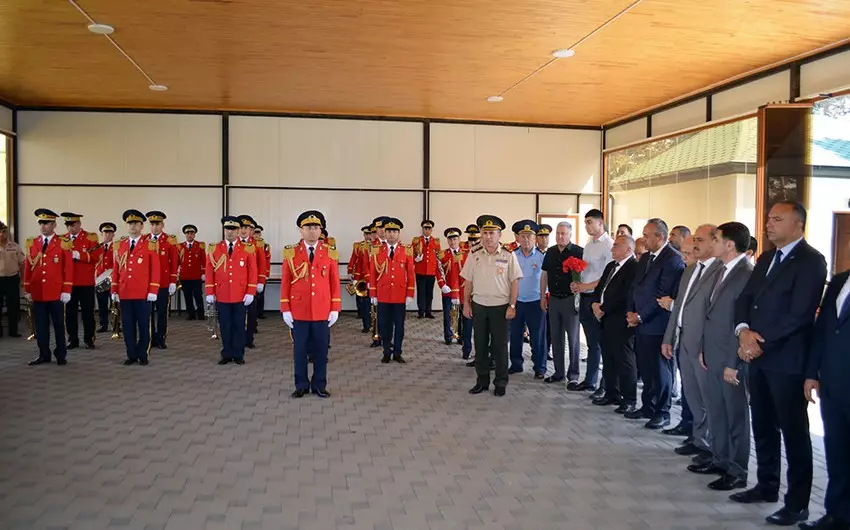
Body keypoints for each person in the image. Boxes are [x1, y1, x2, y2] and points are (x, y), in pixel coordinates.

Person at [733, 201, 827, 526]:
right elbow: (745, 298)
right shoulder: (767, 258)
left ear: (798, 225)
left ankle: (797, 503)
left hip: (786, 360)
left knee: (794, 432)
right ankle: (767, 484)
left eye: (777, 219)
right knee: (762, 424)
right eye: (769, 219)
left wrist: (759, 342)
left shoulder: (812, 261)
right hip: (756, 356)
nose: (769, 224)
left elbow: (800, 314)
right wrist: (743, 332)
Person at [696, 221, 754, 492]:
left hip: (731, 357)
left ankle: (737, 470)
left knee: (735, 415)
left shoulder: (745, 274)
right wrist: (703, 348)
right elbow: (711, 314)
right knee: (717, 410)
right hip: (713, 353)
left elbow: (743, 321)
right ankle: (720, 459)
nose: (713, 243)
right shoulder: (721, 269)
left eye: (716, 239)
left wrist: (735, 363)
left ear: (729, 244)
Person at [804, 243, 850, 530]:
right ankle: (837, 514)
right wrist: (812, 373)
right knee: (837, 451)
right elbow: (822, 330)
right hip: (833, 383)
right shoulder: (841, 280)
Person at [661, 225, 720, 448]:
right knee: (692, 396)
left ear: (715, 242)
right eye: (694, 239)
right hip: (684, 340)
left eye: (700, 240)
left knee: (708, 399)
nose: (695, 244)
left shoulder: (718, 272)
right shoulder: (690, 270)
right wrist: (669, 338)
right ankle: (698, 439)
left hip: (702, 345)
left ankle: (711, 446)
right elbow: (679, 308)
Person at [625, 218, 685, 428]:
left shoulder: (672, 259)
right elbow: (635, 286)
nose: (644, 239)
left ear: (661, 237)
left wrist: (641, 316)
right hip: (641, 323)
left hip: (658, 324)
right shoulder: (646, 258)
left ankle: (662, 411)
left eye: (648, 235)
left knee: (660, 370)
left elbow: (663, 294)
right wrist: (631, 312)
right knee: (646, 368)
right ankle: (648, 406)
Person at [281, 210, 340, 398]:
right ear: (301, 230)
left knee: (321, 350)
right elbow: (285, 282)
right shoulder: (291, 252)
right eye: (308, 227)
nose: (312, 231)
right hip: (299, 310)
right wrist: (285, 308)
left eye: (316, 227)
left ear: (321, 229)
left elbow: (334, 282)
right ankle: (301, 385)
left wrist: (335, 307)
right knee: (299, 351)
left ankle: (319, 385)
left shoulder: (330, 253)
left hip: (322, 310)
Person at [463, 215, 521, 396]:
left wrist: (512, 305)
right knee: (479, 345)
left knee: (500, 346)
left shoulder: (508, 255)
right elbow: (468, 281)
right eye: (485, 232)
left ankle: (501, 382)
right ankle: (482, 381)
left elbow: (514, 282)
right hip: (479, 305)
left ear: (499, 235)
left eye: (492, 233)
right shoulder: (474, 255)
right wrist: (466, 303)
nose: (488, 236)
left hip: (500, 307)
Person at [591, 234, 639, 410]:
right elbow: (601, 288)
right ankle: (612, 392)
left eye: (616, 246)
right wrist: (595, 303)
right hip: (605, 319)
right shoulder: (611, 265)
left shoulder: (634, 267)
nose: (612, 249)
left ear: (628, 249)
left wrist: (604, 308)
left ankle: (629, 399)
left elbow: (625, 295)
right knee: (609, 357)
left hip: (620, 319)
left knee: (624, 360)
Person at [23, 209, 73, 365]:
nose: (43, 226)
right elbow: (27, 267)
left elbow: (68, 268)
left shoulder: (63, 243)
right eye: (41, 223)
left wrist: (66, 290)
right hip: (38, 292)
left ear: (54, 224)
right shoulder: (33, 243)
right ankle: (44, 354)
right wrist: (27, 289)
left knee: (59, 325)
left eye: (46, 223)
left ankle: (60, 354)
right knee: (41, 326)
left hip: (56, 292)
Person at [205, 216, 257, 365]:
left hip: (240, 295)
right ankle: (226, 353)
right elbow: (210, 271)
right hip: (222, 294)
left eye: (234, 229)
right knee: (225, 325)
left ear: (239, 230)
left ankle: (239, 354)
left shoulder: (248, 248)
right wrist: (210, 291)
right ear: (224, 229)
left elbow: (253, 271)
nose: (230, 232)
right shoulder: (215, 248)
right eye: (228, 229)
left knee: (239, 326)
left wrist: (250, 291)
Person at [571, 209, 613, 392]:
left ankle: (604, 384)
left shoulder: (608, 245)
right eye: (586, 222)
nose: (587, 225)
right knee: (591, 342)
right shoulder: (588, 245)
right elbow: (586, 271)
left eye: (590, 222)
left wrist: (586, 287)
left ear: (600, 223)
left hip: (598, 298)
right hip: (585, 296)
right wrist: (578, 284)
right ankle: (589, 380)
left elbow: (608, 276)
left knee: (601, 343)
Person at [111, 209, 160, 366]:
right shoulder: (120, 245)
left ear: (141, 226)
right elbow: (116, 270)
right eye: (130, 223)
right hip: (125, 292)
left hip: (143, 293)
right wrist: (114, 289)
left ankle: (143, 353)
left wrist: (153, 290)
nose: (133, 226)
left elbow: (155, 269)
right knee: (128, 325)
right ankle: (131, 354)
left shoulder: (150, 245)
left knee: (144, 325)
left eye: (136, 223)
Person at [540, 221, 583, 387]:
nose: (560, 236)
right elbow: (544, 275)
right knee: (556, 338)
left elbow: (584, 275)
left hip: (570, 300)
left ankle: (573, 375)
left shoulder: (578, 252)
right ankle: (558, 373)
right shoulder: (550, 252)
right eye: (558, 233)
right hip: (554, 299)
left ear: (570, 235)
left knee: (573, 339)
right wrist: (542, 296)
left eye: (563, 233)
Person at [369, 217, 415, 363]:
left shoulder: (406, 251)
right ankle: (386, 351)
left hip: (399, 295)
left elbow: (411, 273)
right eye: (389, 231)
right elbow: (373, 273)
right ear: (385, 233)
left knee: (399, 326)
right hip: (383, 295)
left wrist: (410, 293)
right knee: (384, 326)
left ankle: (398, 352)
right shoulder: (377, 251)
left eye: (394, 231)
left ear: (399, 233)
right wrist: (373, 293)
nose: (391, 234)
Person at [508, 220, 545, 378]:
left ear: (535, 238)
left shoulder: (542, 257)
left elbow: (546, 279)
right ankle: (516, 364)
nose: (526, 240)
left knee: (537, 337)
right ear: (518, 238)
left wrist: (544, 297)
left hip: (535, 302)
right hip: (516, 302)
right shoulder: (512, 256)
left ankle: (540, 367)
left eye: (530, 236)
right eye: (523, 236)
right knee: (515, 335)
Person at [61, 212, 103, 349]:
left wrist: (80, 255)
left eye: (73, 225)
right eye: (68, 226)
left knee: (87, 313)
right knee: (70, 313)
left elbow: (96, 256)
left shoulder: (90, 238)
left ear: (79, 224)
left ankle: (89, 339)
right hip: (69, 283)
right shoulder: (62, 239)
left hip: (85, 282)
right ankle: (72, 339)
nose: (70, 228)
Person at [145, 211, 178, 349]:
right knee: (148, 312)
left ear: (162, 225)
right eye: (152, 224)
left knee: (162, 312)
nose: (154, 227)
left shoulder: (169, 240)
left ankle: (161, 337)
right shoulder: (144, 239)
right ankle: (150, 337)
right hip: (147, 283)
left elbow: (174, 262)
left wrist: (173, 281)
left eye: (157, 224)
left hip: (163, 282)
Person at [236, 215, 266, 348]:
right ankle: (237, 338)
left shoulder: (257, 244)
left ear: (251, 230)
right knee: (237, 313)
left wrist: (260, 281)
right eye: (241, 227)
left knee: (251, 313)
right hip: (235, 284)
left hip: (251, 284)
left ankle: (249, 339)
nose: (243, 231)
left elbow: (262, 263)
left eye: (246, 228)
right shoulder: (232, 242)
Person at [437, 227, 463, 345]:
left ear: (459, 239)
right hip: (447, 289)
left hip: (462, 290)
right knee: (448, 314)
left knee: (461, 314)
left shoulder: (465, 254)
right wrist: (442, 285)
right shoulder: (442, 255)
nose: (453, 242)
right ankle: (448, 336)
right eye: (450, 239)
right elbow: (438, 270)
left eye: (455, 239)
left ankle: (460, 336)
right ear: (447, 241)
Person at [0, 220, 24, 338]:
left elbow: (22, 263)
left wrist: (23, 279)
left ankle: (13, 331)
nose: (1, 235)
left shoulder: (14, 246)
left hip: (12, 279)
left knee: (13, 306)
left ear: (6, 233)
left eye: (3, 232)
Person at [348, 224, 374, 333]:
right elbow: (353, 258)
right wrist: (350, 271)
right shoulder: (359, 246)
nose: (368, 236)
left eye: (370, 233)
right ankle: (366, 324)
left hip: (374, 278)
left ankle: (373, 322)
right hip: (361, 277)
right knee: (363, 301)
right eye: (366, 234)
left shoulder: (378, 245)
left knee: (373, 303)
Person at [413, 220, 441, 319]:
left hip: (431, 271)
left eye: (429, 228)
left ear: (432, 230)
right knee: (421, 292)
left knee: (429, 293)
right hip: (420, 270)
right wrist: (415, 259)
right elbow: (412, 254)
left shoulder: (436, 241)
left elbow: (438, 256)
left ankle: (428, 311)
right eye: (425, 228)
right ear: (422, 229)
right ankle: (421, 312)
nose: (427, 230)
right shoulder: (416, 241)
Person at [178, 224, 206, 321]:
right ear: (185, 235)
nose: (190, 235)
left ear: (194, 235)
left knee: (198, 295)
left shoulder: (200, 245)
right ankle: (191, 314)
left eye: (191, 233)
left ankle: (201, 314)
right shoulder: (180, 246)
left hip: (196, 276)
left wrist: (203, 273)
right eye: (188, 233)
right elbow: (177, 261)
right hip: (185, 276)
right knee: (187, 296)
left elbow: (204, 260)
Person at [461, 225, 479, 364]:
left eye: (475, 239)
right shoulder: (463, 252)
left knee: (480, 330)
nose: (472, 242)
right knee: (466, 326)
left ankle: (480, 355)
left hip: (481, 297)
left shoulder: (483, 253)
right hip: (467, 294)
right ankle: (466, 350)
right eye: (470, 239)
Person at [95, 222, 117, 333]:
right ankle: (103, 325)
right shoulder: (97, 247)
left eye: (110, 232)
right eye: (105, 232)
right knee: (102, 304)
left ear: (113, 234)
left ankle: (116, 325)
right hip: (100, 280)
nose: (107, 234)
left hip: (112, 280)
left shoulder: (117, 247)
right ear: (101, 234)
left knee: (115, 304)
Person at [253, 224, 270, 318]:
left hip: (261, 273)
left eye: (258, 233)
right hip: (251, 274)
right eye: (254, 233)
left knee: (261, 294)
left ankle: (260, 312)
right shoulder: (248, 244)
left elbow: (266, 260)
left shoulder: (265, 245)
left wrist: (266, 273)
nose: (256, 235)